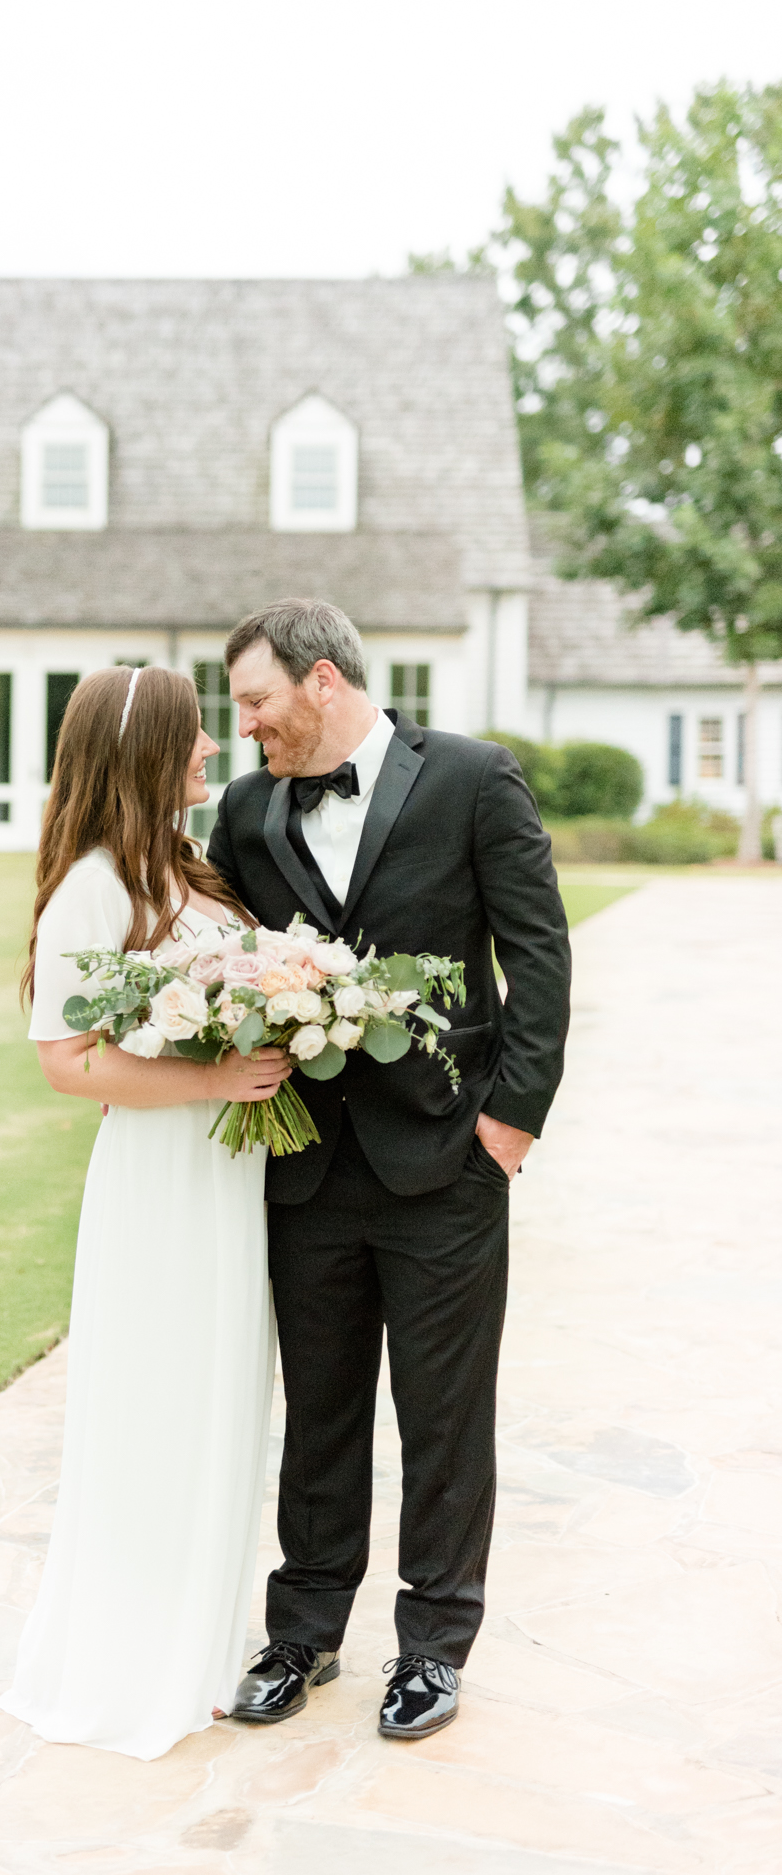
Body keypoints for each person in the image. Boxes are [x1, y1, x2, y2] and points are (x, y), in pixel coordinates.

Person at [208, 598, 571, 1740]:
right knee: (317, 1410)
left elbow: (537, 952)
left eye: (258, 702)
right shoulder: (245, 811)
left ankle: (430, 1646)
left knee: (442, 1416)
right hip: (305, 1165)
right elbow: (211, 951)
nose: (249, 727)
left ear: (321, 680)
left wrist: (507, 1122)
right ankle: (302, 1629)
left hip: (444, 1161)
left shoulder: (469, 777)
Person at [0, 663, 289, 1760]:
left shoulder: (184, 868)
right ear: (146, 752)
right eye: (196, 738)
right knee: (155, 1405)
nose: (212, 753)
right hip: (161, 1177)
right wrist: (215, 1082)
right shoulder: (90, 883)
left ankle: (199, 1645)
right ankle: (135, 1655)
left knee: (218, 1404)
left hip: (224, 1176)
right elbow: (69, 1062)